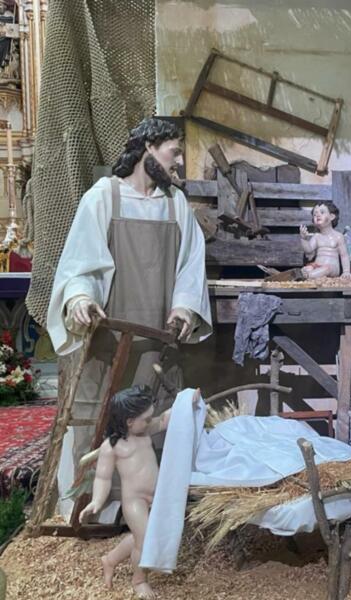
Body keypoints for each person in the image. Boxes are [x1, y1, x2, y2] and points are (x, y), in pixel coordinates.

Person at [47, 117, 212, 519]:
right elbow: (78, 265)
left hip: (156, 340)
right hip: (108, 340)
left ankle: (149, 512)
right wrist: (81, 297)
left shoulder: (176, 206)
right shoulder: (104, 197)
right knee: (100, 421)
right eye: (174, 153)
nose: (178, 165)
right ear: (148, 148)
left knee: (153, 420)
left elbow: (191, 266)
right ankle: (92, 508)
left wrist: (184, 308)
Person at [80, 386, 201, 599]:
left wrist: (186, 401)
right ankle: (139, 580)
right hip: (134, 499)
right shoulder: (112, 447)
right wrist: (97, 501)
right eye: (145, 419)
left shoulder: (145, 430)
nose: (149, 422)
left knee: (141, 537)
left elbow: (165, 419)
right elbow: (103, 477)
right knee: (145, 540)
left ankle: (109, 560)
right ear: (129, 421)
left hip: (156, 494)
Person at [299, 201, 351, 280]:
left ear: (332, 216)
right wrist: (303, 239)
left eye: (322, 212)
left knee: (326, 269)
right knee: (307, 269)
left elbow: (344, 255)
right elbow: (308, 250)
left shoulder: (338, 236)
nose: (317, 215)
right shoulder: (317, 236)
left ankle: (308, 276)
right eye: (315, 214)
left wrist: (346, 271)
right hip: (317, 265)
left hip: (331, 268)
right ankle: (309, 275)